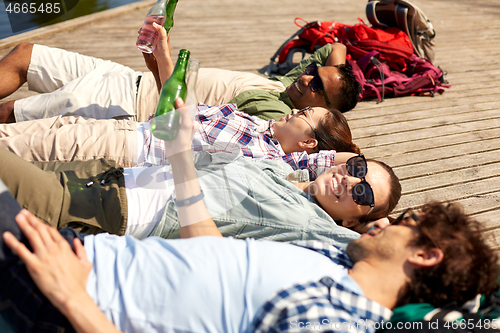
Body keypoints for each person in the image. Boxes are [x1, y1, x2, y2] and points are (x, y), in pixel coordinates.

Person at [0, 101, 496, 332]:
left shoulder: (333, 323)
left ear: (426, 255)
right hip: (80, 254)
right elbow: (210, 251)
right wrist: (179, 154)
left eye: (404, 222)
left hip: (72, 293)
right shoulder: (331, 259)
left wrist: (72, 298)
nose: (387, 223)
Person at [0, 98, 400, 245]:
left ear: (354, 221)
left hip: (115, 208)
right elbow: (334, 163)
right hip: (113, 173)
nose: (352, 181)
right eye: (360, 170)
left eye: (362, 194)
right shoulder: (287, 175)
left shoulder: (311, 226)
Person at [0, 23, 361, 123]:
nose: (307, 77)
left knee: (11, 115)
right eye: (314, 72)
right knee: (25, 54)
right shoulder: (286, 85)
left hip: (130, 103)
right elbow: (333, 50)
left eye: (316, 84)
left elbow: (192, 119)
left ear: (323, 107)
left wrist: (163, 64)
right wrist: (337, 77)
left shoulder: (277, 114)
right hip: (130, 77)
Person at [0, 102, 359, 179]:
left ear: (309, 144)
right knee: (11, 138)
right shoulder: (256, 123)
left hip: (124, 148)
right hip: (127, 126)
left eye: (304, 116)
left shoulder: (273, 161)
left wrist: (352, 154)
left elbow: (338, 162)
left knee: (12, 151)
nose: (296, 111)